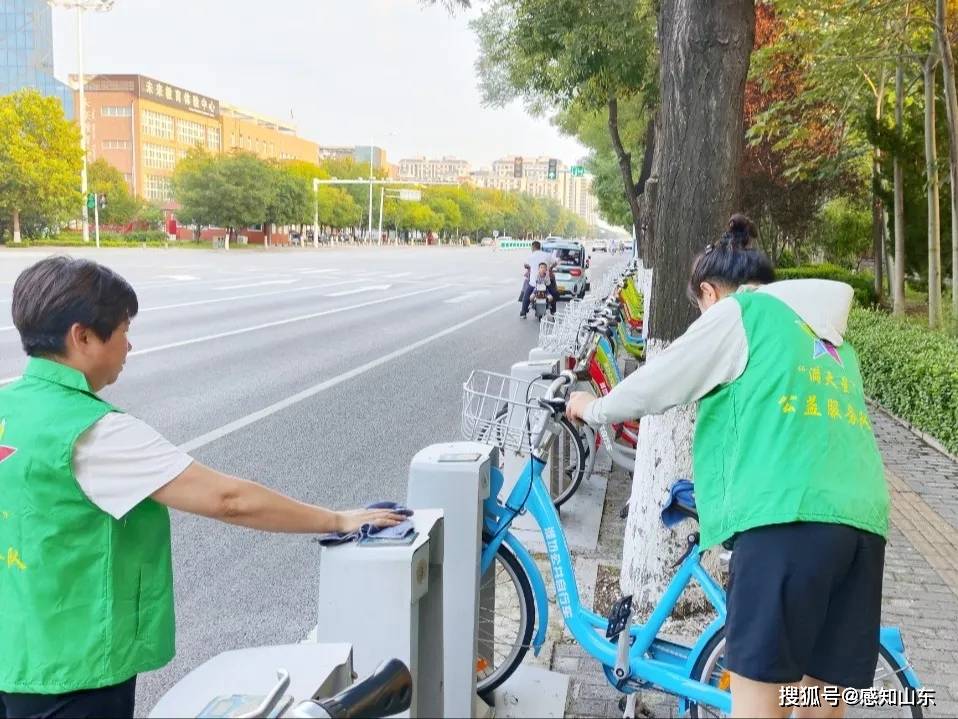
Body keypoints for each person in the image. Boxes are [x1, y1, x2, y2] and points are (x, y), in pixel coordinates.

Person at [0, 257, 407, 719]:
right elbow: (228, 500)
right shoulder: (94, 433)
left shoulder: (7, 406)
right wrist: (339, 519)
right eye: (123, 329)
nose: (129, 344)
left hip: (11, 655)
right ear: (83, 336)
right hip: (73, 671)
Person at [566, 214, 890, 719]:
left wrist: (591, 407)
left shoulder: (738, 313)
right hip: (863, 526)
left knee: (760, 708)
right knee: (821, 706)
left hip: (786, 523)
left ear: (709, 294)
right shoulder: (829, 337)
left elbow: (658, 382)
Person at [520, 240, 560, 319]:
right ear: (540, 247)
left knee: (526, 295)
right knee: (553, 294)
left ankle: (523, 312)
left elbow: (525, 265)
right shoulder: (547, 255)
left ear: (533, 247)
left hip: (534, 283)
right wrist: (551, 268)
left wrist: (529, 267)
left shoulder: (531, 256)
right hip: (546, 283)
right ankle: (553, 312)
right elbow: (555, 262)